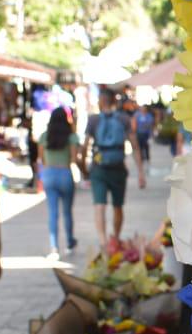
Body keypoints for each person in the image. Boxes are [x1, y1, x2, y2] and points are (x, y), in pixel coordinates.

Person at [79, 87, 145, 246]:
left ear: (100, 102)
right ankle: (115, 238)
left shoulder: (93, 120)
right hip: (118, 168)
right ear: (114, 101)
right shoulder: (123, 119)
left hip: (98, 168)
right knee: (118, 206)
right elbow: (135, 146)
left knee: (99, 206)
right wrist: (141, 173)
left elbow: (84, 147)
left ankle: (103, 241)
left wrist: (84, 169)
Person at [38, 107, 81, 257]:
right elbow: (75, 159)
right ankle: (69, 242)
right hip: (65, 173)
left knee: (53, 212)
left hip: (49, 174)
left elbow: (41, 158)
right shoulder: (71, 137)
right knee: (67, 212)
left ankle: (54, 247)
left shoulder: (45, 136)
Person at [133, 103, 155, 167]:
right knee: (140, 147)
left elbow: (151, 124)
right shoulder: (137, 115)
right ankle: (141, 159)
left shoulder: (149, 115)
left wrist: (151, 133)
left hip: (146, 134)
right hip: (139, 133)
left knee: (146, 146)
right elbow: (134, 123)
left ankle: (147, 159)